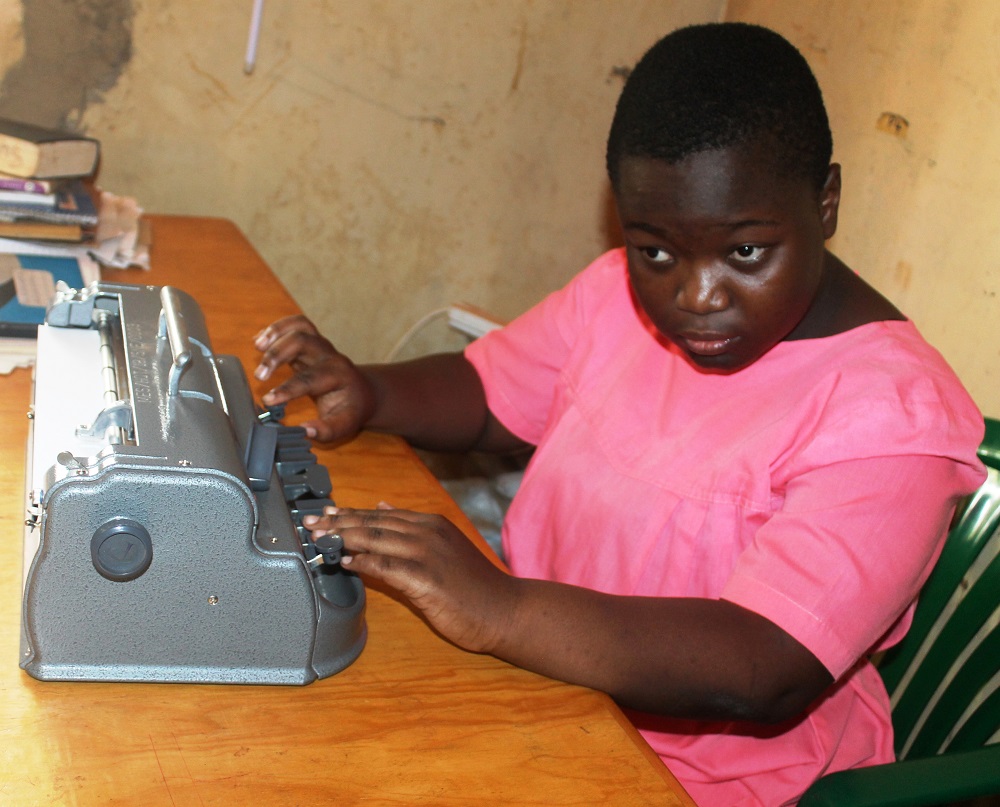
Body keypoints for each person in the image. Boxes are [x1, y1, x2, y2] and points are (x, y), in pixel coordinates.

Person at [252, 22, 986, 806]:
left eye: (745, 252)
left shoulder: (891, 418)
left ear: (826, 201)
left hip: (708, 781)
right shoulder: (617, 297)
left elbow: (764, 664)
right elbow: (492, 393)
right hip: (548, 694)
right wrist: (373, 390)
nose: (695, 296)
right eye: (657, 251)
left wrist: (501, 606)